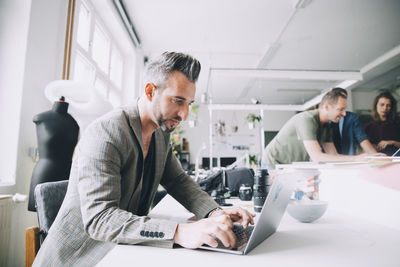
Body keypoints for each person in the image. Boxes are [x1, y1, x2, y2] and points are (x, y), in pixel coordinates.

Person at [33, 52, 254, 266]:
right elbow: (100, 220)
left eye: (189, 103)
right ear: (150, 91)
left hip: (123, 250)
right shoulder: (105, 133)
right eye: (178, 101)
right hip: (82, 257)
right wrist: (179, 232)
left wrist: (216, 212)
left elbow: (178, 181)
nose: (184, 114)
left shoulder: (160, 135)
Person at [262, 88, 381, 169]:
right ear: (327, 107)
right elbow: (317, 157)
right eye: (341, 109)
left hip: (289, 166)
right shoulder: (306, 119)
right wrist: (357, 159)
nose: (344, 114)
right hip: (273, 163)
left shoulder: (327, 126)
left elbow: (333, 156)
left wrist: (366, 159)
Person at [28, 96, 79, 211]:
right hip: (45, 172)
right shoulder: (40, 118)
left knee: (60, 213)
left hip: (67, 174)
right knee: (41, 213)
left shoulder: (74, 123)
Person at [330, 88, 377, 155]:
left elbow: (362, 138)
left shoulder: (351, 117)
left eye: (345, 98)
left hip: (347, 157)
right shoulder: (324, 120)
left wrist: (375, 155)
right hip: (328, 157)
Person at [363, 91, 400, 155]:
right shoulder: (368, 126)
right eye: (382, 105)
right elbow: (364, 149)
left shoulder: (397, 123)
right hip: (376, 160)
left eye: (388, 105)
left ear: (391, 108)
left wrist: (392, 142)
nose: (385, 108)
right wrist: (371, 147)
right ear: (376, 106)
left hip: (395, 159)